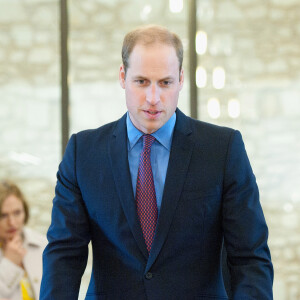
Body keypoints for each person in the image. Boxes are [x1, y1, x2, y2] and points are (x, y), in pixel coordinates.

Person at [40, 25, 273, 299]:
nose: (153, 98)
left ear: (181, 79)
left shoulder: (222, 149)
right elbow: (63, 256)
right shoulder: (83, 153)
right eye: (141, 81)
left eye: (165, 82)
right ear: (122, 76)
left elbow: (250, 257)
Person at [0, 180, 47, 300]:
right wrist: (9, 264)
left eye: (17, 213)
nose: (12, 222)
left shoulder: (42, 244)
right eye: (3, 215)